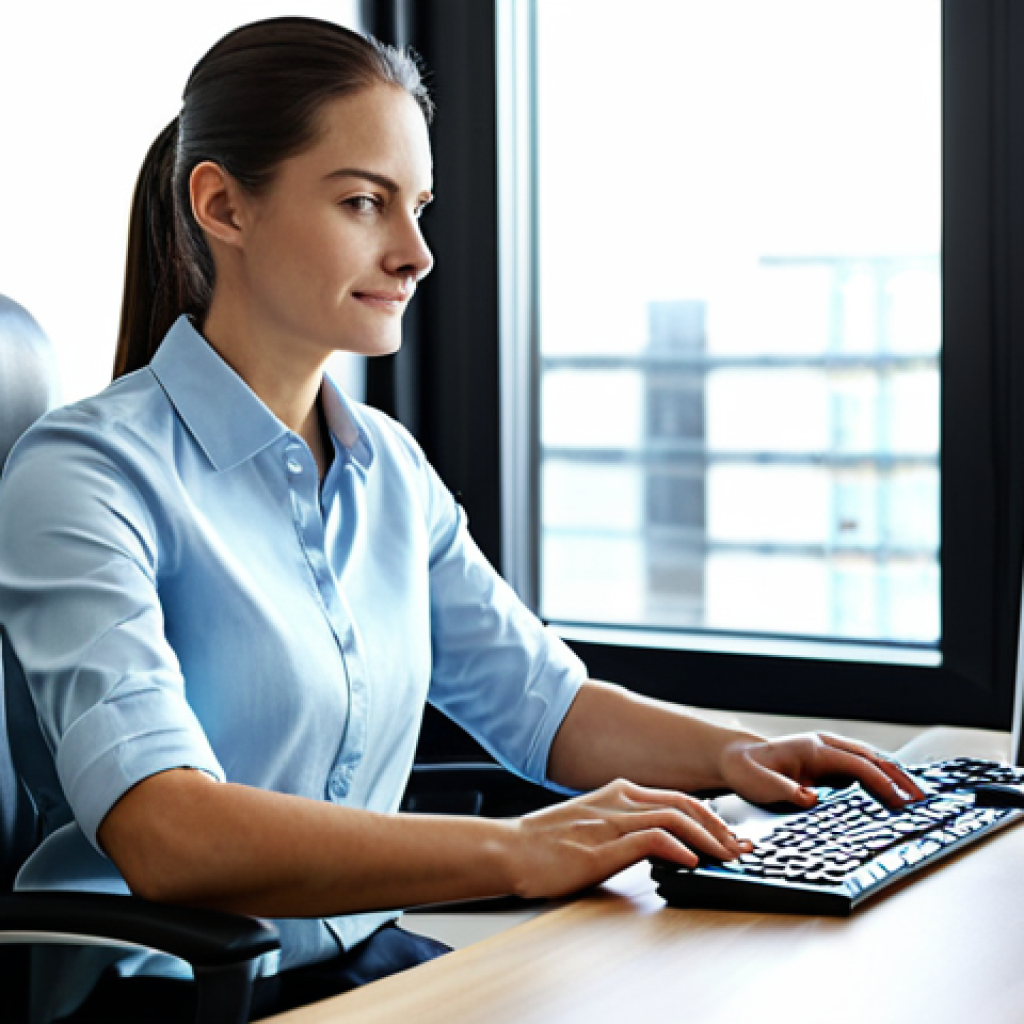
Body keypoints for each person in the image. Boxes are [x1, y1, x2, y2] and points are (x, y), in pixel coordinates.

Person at [0, 16, 925, 1023]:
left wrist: (734, 753)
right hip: (164, 991)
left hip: (358, 960)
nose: (413, 253)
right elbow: (166, 833)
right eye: (364, 203)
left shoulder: (386, 468)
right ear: (222, 203)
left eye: (419, 206)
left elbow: (543, 705)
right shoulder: (86, 472)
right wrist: (521, 850)